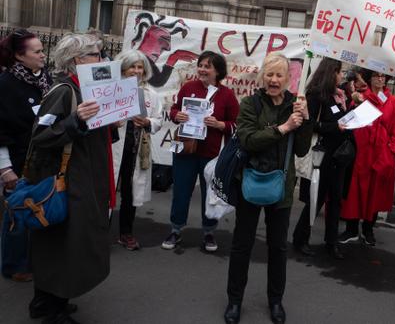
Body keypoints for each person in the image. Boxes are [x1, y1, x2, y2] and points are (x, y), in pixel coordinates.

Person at [23, 33, 111, 323]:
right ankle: (53, 308)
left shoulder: (88, 88)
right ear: (78, 61)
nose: (102, 59)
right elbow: (41, 135)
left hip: (85, 176)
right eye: (96, 55)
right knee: (65, 242)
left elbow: (95, 133)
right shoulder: (64, 91)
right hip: (69, 180)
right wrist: (76, 121)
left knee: (65, 241)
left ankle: (46, 301)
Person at [224, 53, 313, 324]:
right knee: (242, 246)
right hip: (250, 182)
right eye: (270, 74)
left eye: (279, 75)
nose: (274, 80)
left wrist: (305, 120)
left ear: (288, 78)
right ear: (263, 76)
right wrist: (284, 127)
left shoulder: (295, 105)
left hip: (282, 187)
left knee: (278, 248)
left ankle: (276, 301)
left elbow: (301, 150)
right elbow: (248, 140)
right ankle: (234, 301)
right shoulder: (250, 104)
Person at [162, 51, 239, 252]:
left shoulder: (227, 95)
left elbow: (237, 125)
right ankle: (176, 230)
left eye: (208, 66)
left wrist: (220, 124)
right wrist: (176, 115)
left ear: (218, 71)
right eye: (201, 65)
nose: (203, 70)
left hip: (211, 154)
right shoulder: (188, 87)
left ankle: (209, 232)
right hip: (185, 150)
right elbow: (173, 111)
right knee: (181, 192)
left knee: (210, 194)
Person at [0, 29, 50, 283]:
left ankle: (32, 260)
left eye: (43, 50)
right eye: (37, 51)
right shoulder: (6, 85)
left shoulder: (43, 79)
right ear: (20, 56)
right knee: (16, 215)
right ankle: (13, 265)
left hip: (40, 160)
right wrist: (5, 169)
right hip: (16, 162)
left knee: (35, 211)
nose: (43, 55)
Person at [292, 58, 352, 260]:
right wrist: (335, 127)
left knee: (335, 200)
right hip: (322, 154)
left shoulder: (341, 95)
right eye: (340, 72)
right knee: (315, 199)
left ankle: (331, 242)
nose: (342, 76)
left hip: (339, 156)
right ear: (331, 72)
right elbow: (310, 124)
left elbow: (340, 118)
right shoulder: (316, 95)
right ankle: (300, 238)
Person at [338, 68, 395, 246]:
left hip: (380, 155)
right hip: (361, 153)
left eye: (383, 76)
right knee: (355, 192)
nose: (380, 79)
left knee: (375, 193)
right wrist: (356, 103)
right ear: (370, 78)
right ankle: (351, 229)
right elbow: (347, 122)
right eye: (376, 75)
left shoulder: (393, 102)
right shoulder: (361, 97)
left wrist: (391, 152)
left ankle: (368, 229)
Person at [111, 50, 163, 250]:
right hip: (114, 147)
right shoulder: (112, 89)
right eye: (132, 66)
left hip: (136, 149)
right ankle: (98, 232)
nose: (136, 71)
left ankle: (126, 233)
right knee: (106, 190)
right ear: (123, 68)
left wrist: (147, 121)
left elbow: (158, 120)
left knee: (130, 193)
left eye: (140, 67)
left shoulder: (151, 94)